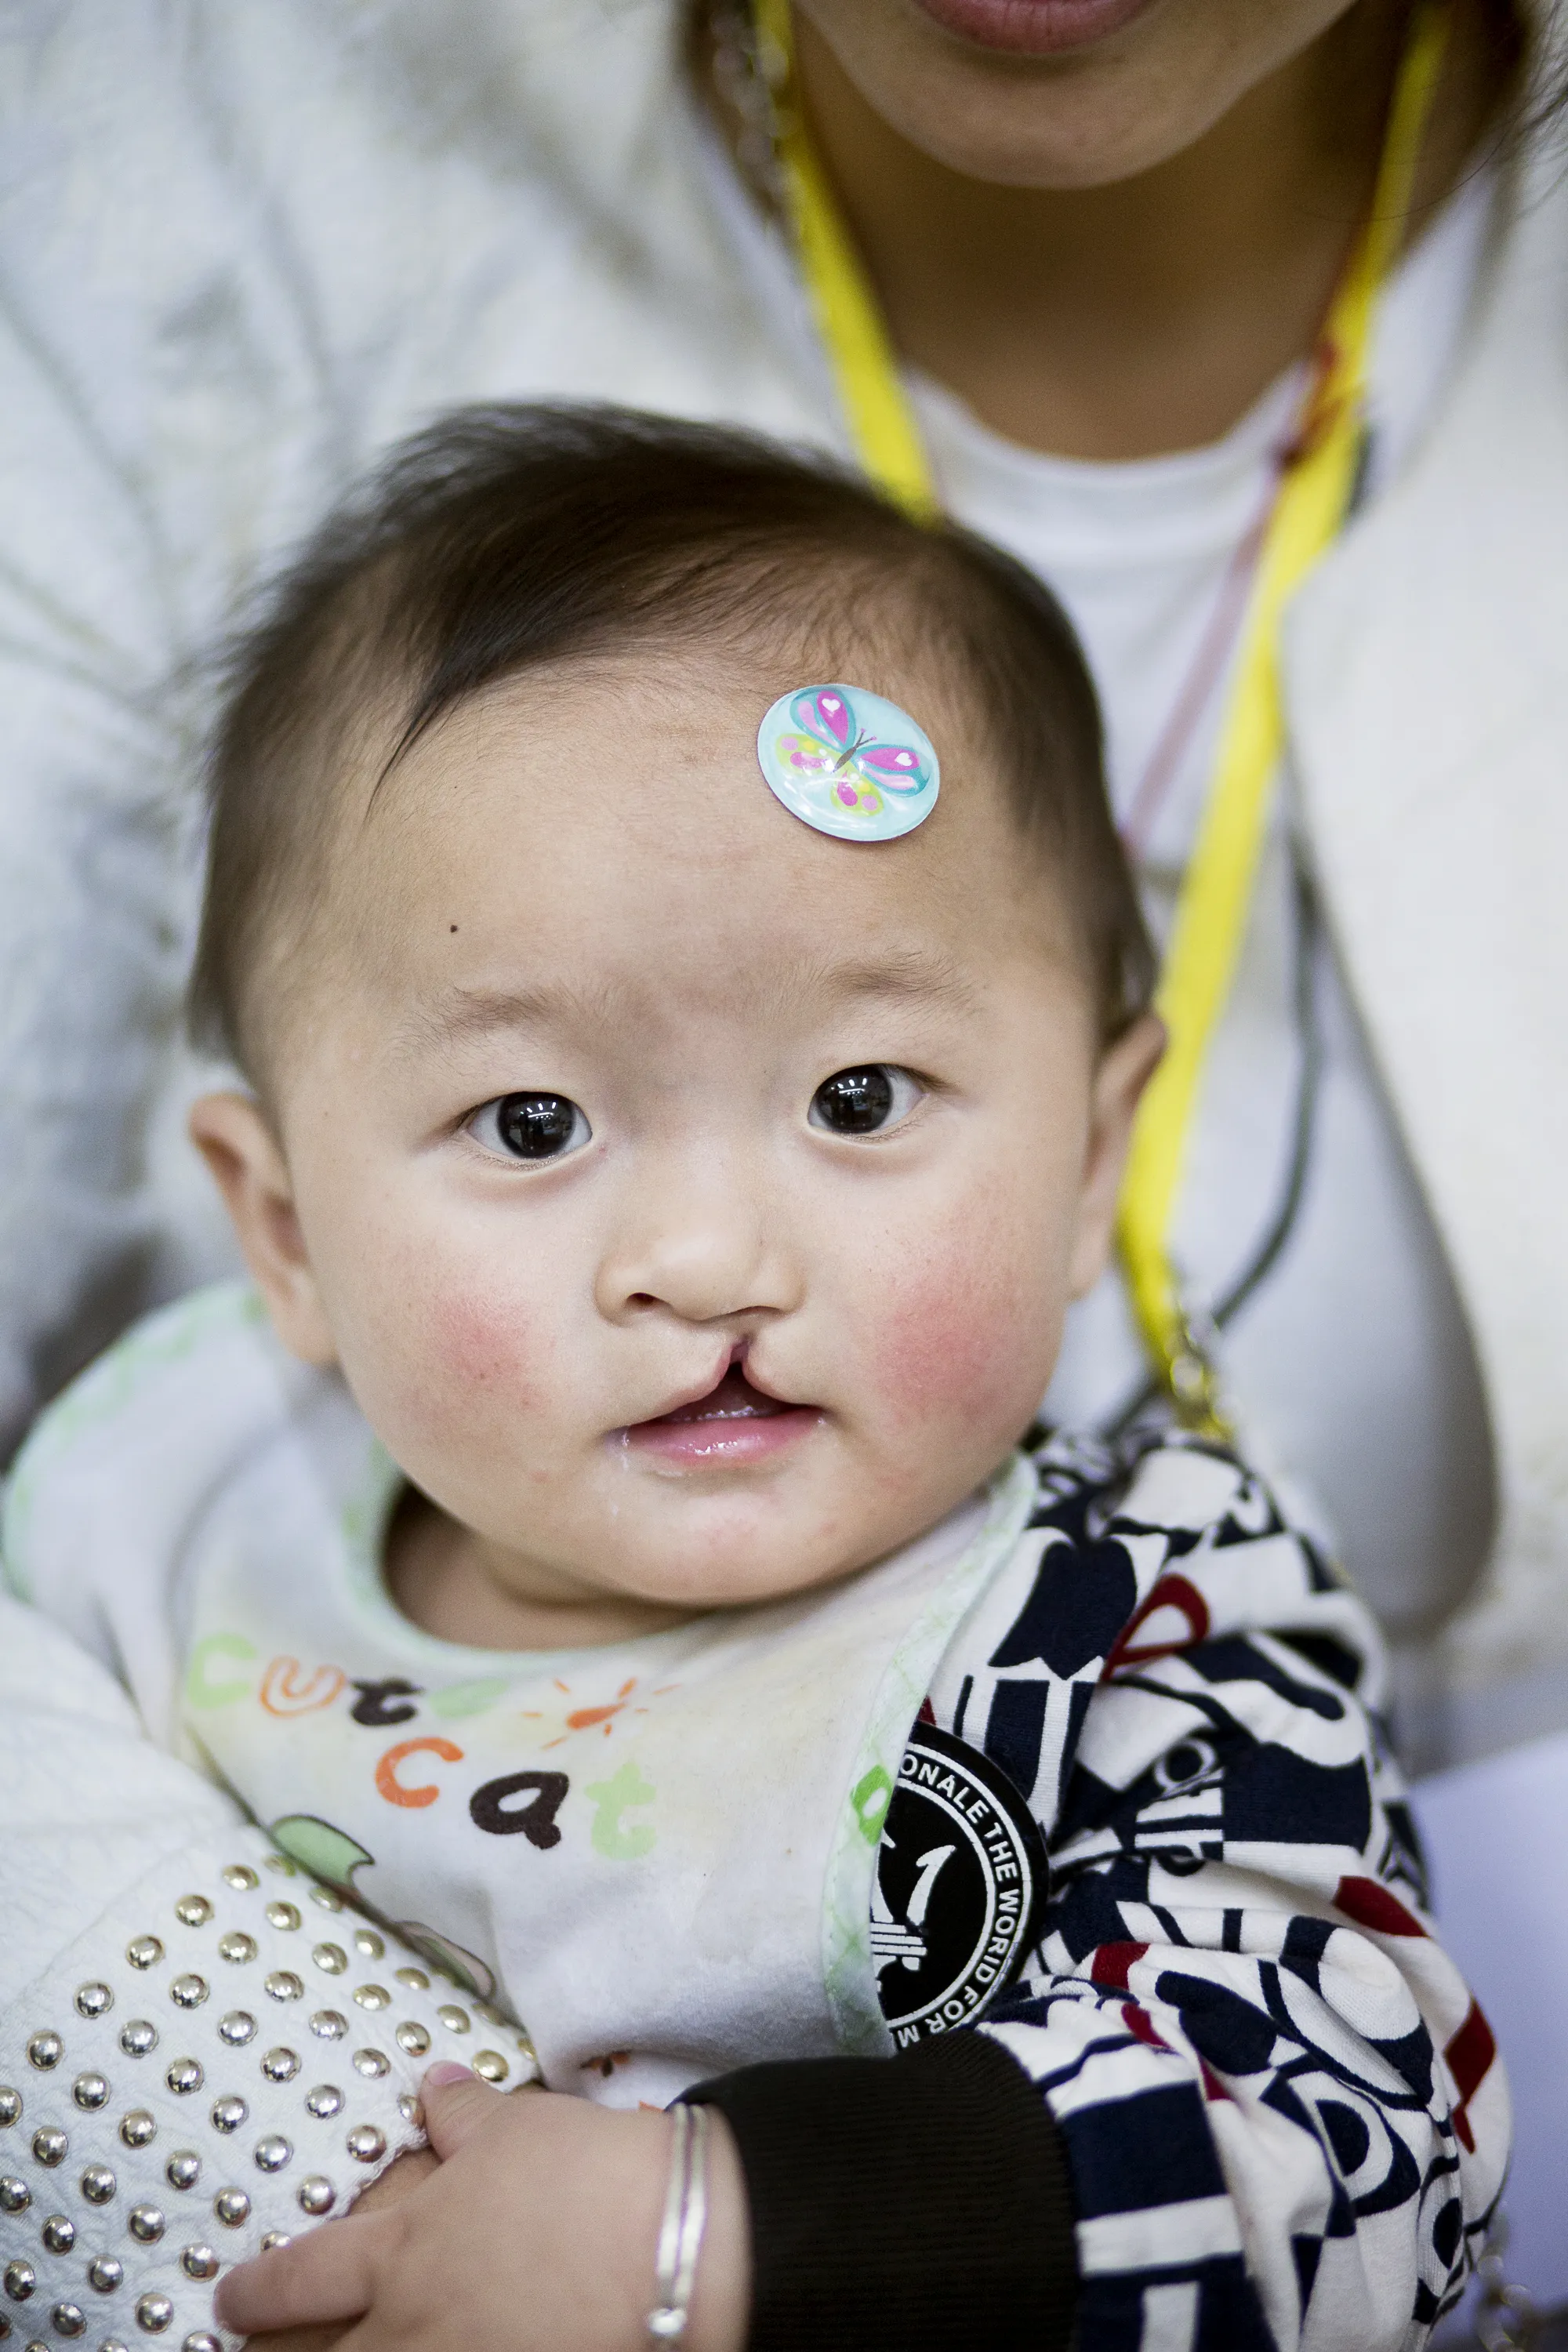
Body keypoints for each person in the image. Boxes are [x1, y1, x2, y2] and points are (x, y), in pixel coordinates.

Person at [0, 408, 1507, 2352]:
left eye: (857, 1098)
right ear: (282, 1232)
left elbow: (1356, 2144)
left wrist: (719, 2234)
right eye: (530, 1120)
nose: (710, 1260)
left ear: (1085, 1160)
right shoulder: (177, 1498)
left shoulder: (1120, 1628)